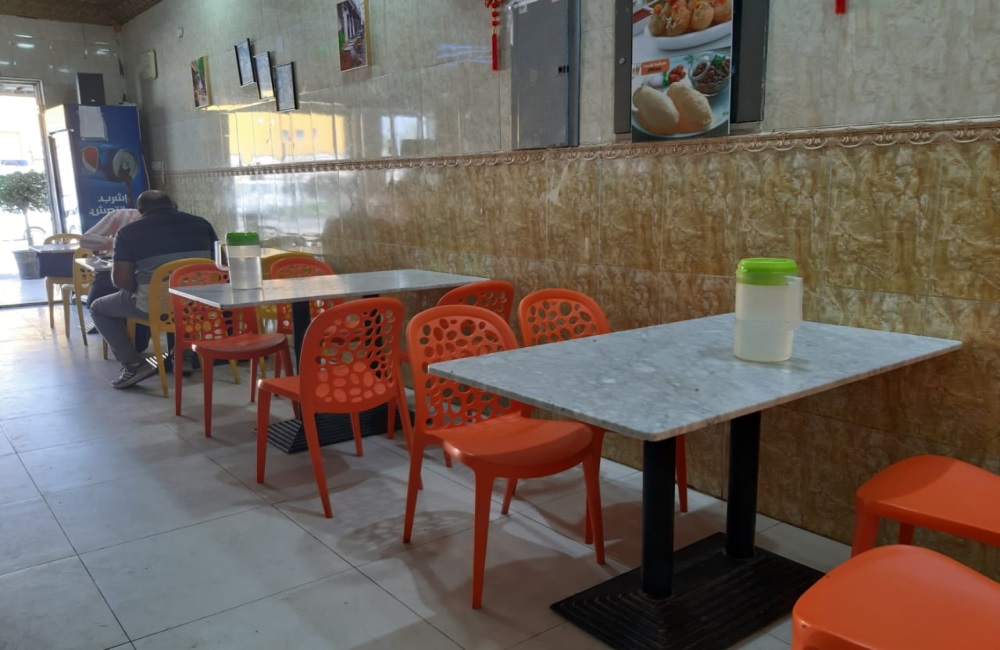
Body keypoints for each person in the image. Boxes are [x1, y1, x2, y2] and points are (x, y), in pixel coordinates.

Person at [90, 191, 217, 389]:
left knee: (98, 307)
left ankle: (134, 364)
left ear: (140, 211)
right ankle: (182, 356)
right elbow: (219, 266)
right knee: (179, 297)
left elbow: (120, 280)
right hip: (199, 306)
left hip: (157, 306)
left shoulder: (128, 232)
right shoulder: (202, 224)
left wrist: (143, 287)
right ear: (174, 205)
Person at [80, 208, 142, 335]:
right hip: (114, 271)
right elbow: (85, 240)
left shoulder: (164, 223)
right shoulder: (120, 215)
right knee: (97, 299)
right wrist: (118, 242)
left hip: (147, 277)